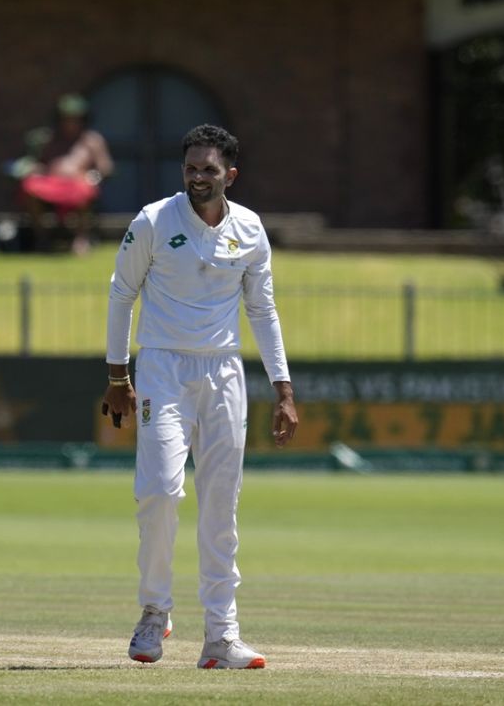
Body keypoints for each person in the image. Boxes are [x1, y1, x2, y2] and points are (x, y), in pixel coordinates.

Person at [103, 124, 299, 670]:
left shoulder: (251, 229)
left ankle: (221, 636)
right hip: (163, 367)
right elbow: (122, 293)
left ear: (230, 175)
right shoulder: (153, 221)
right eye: (190, 168)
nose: (197, 177)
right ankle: (153, 612)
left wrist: (283, 388)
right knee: (161, 491)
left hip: (224, 374)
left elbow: (262, 310)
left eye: (209, 169)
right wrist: (118, 376)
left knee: (221, 503)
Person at [18, 94, 113, 255]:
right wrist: (34, 169)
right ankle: (42, 237)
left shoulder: (92, 141)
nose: (70, 123)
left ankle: (81, 239)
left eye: (75, 119)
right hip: (51, 183)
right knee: (30, 187)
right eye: (66, 119)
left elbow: (106, 167)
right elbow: (37, 162)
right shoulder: (48, 139)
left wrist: (94, 176)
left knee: (86, 189)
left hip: (78, 184)